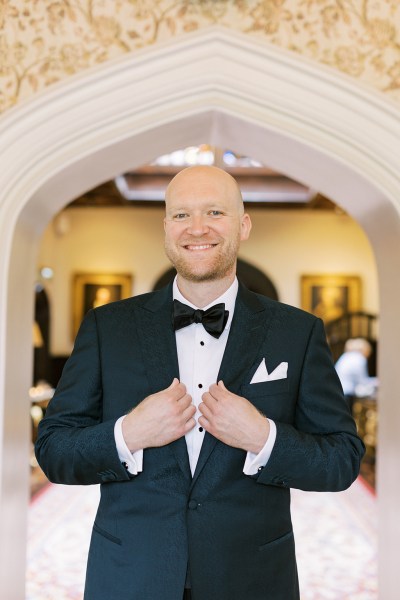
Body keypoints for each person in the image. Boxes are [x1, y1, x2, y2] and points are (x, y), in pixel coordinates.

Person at [35, 166, 365, 600]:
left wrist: (263, 438)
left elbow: (342, 459)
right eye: (181, 215)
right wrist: (128, 433)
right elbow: (54, 450)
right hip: (131, 575)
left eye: (215, 211)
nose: (197, 228)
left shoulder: (297, 332)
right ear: (166, 227)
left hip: (252, 578)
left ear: (243, 225)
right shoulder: (106, 327)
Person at [335, 338, 378, 410]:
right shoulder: (359, 358)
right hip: (346, 394)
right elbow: (363, 381)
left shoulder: (345, 356)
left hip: (337, 391)